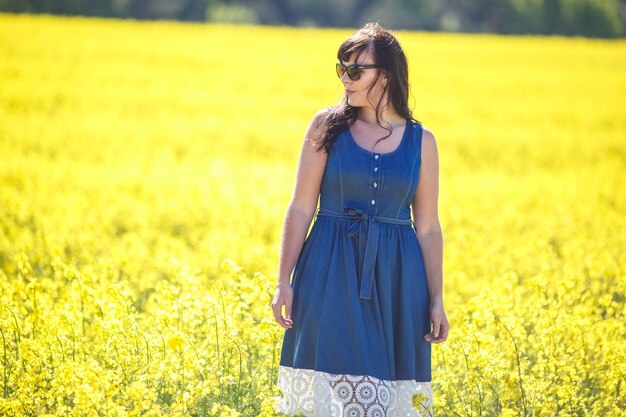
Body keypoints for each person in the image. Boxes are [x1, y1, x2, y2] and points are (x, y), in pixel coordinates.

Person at [270, 22, 449, 417]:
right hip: (329, 271)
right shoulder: (326, 127)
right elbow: (300, 207)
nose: (345, 79)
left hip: (397, 280)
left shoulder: (424, 142)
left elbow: (429, 227)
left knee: (388, 400)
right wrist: (283, 280)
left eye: (355, 70)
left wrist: (437, 299)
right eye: (341, 69)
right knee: (332, 392)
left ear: (385, 75)